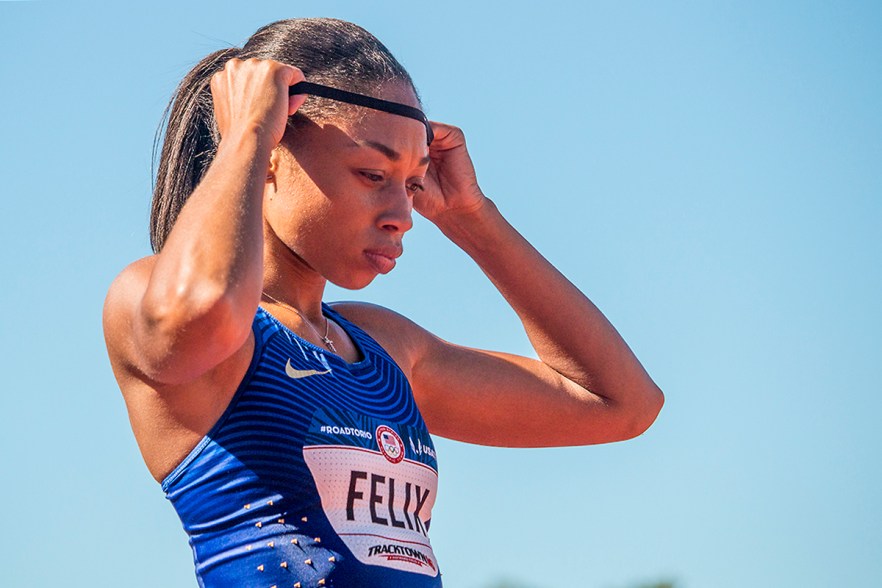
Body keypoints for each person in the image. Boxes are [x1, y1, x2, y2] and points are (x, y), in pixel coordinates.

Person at [103, 17, 664, 588]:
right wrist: (245, 132)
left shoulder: (386, 349)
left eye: (413, 182)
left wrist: (473, 219)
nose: (402, 214)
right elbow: (207, 309)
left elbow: (620, 403)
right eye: (373, 174)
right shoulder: (155, 301)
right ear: (272, 156)